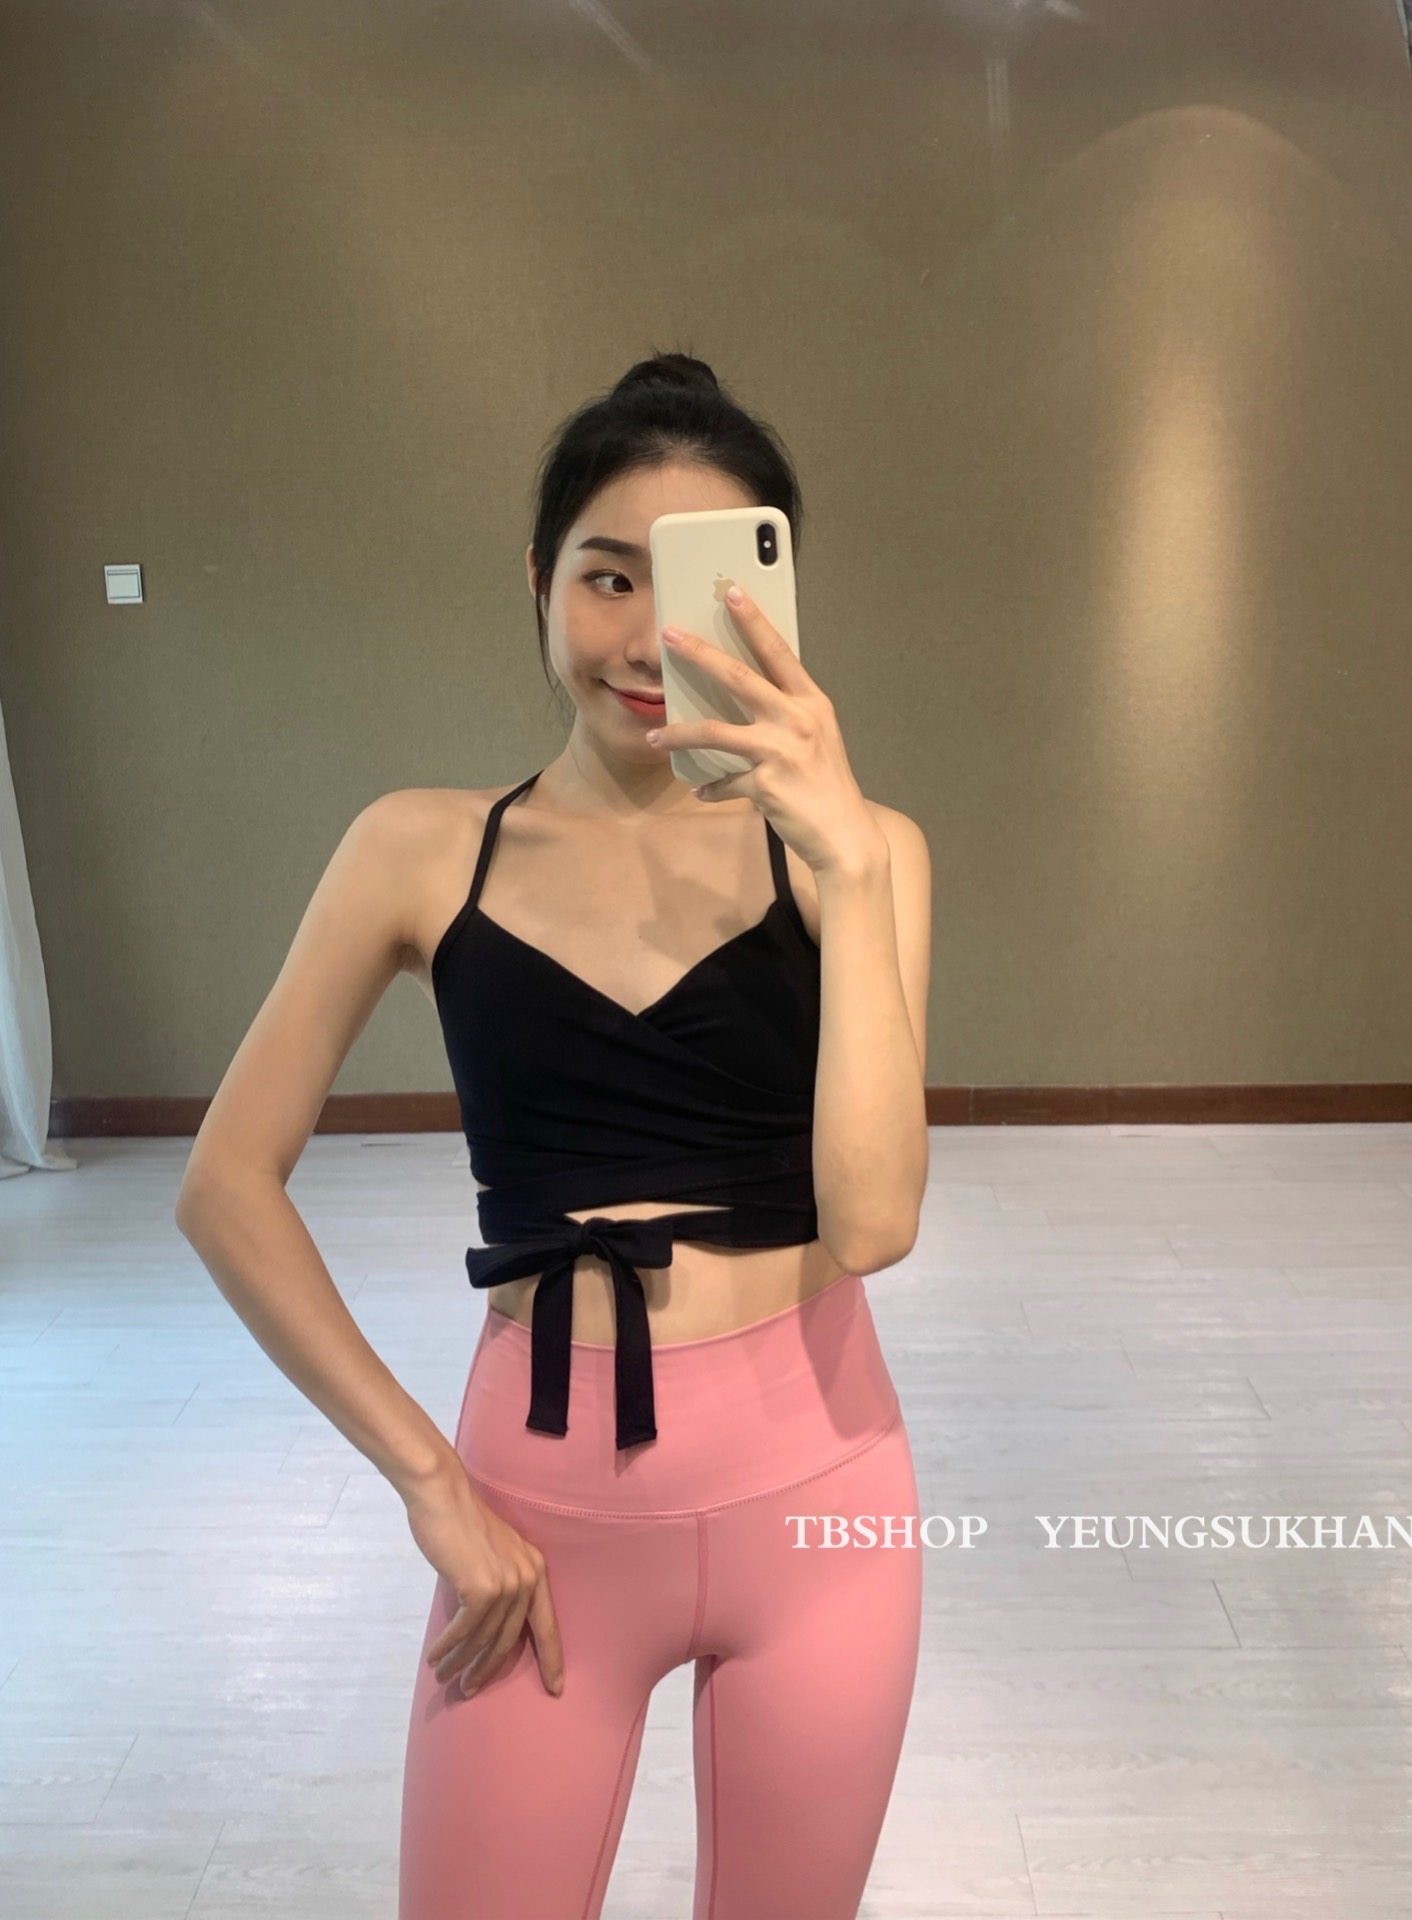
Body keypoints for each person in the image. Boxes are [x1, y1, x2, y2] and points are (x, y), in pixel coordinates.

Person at [176, 351, 932, 1920]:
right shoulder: (417, 847)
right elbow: (224, 1187)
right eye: (607, 577)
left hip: (825, 1502)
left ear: (775, 613)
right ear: (538, 581)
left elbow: (872, 1222)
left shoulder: (864, 855)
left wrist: (848, 866)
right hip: (536, 1518)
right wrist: (428, 1482)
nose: (650, 639)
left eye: (703, 590)